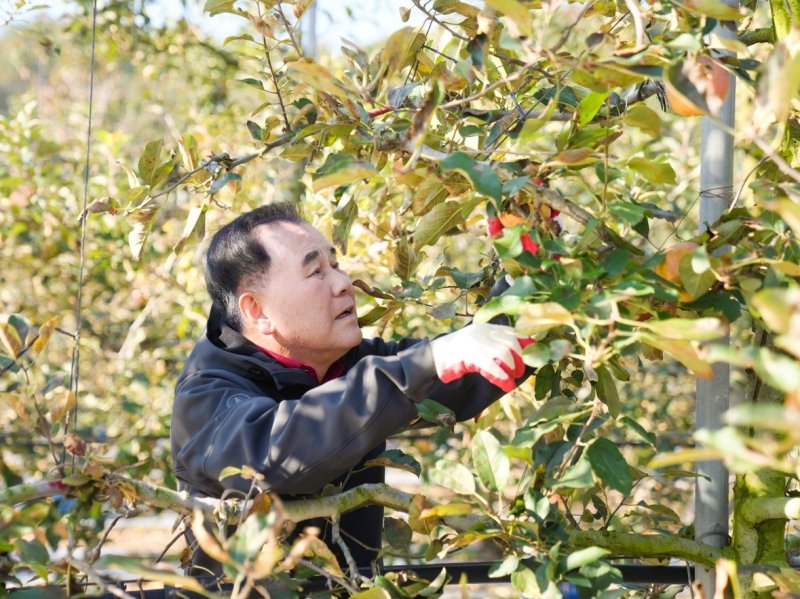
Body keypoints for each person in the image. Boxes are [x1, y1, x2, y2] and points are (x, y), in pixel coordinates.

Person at [170, 202, 530, 578]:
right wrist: (427, 361)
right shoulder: (207, 394)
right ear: (257, 310)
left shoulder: (349, 364)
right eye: (315, 272)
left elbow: (473, 368)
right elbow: (274, 455)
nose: (343, 284)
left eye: (335, 265)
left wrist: (530, 268)